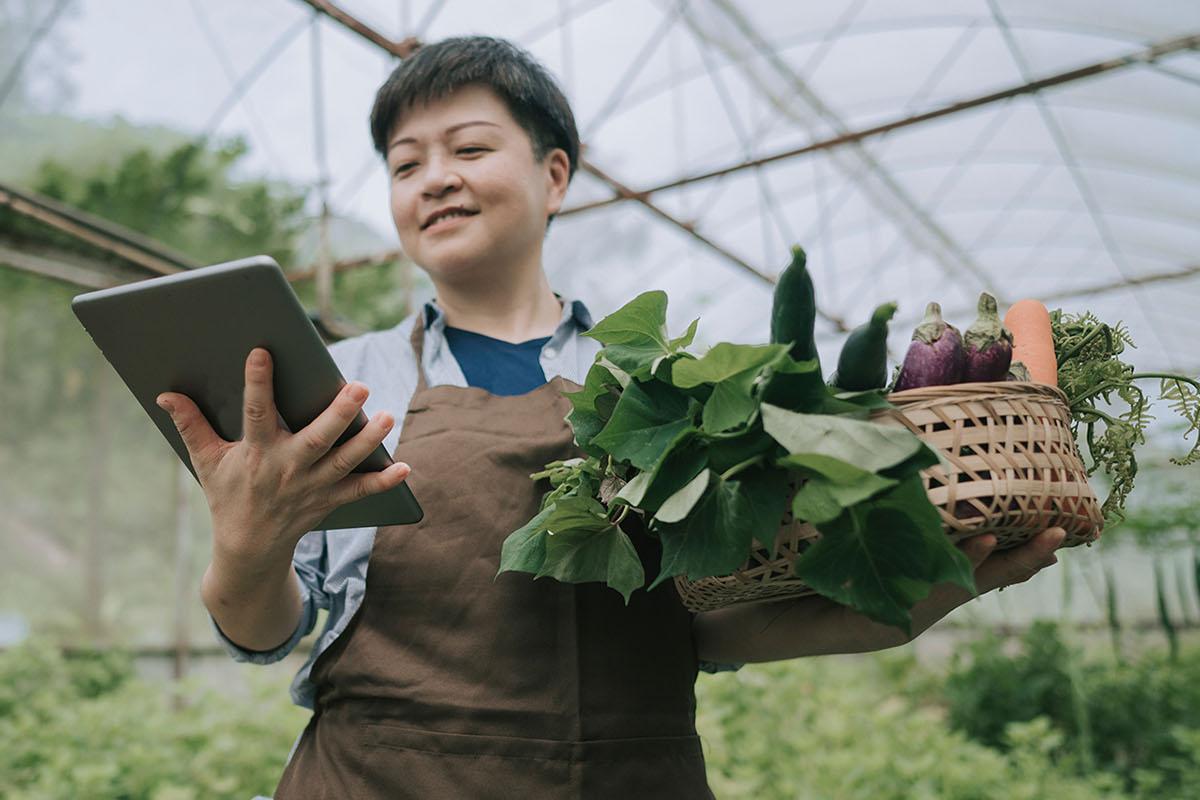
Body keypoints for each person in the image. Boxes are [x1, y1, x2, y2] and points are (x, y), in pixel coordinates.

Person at [155, 36, 1068, 799]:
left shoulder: (665, 382)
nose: (434, 179)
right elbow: (265, 632)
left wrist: (911, 602)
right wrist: (248, 543)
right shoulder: (341, 387)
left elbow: (706, 626)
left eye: (469, 149)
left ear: (554, 175)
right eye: (405, 163)